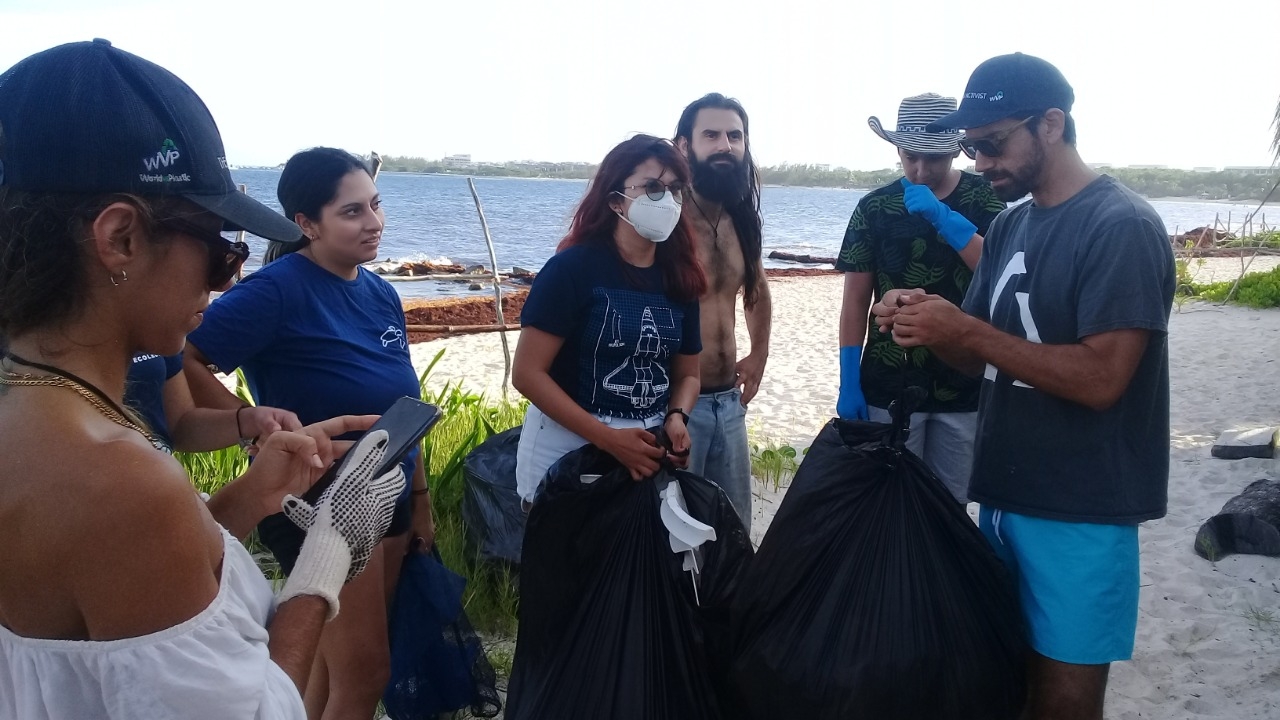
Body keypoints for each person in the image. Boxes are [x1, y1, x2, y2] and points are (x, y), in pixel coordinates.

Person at [0, 39, 404, 719]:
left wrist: (251, 495)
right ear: (121, 238)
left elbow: (122, 591)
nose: (230, 277)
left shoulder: (37, 410)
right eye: (223, 250)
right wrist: (325, 560)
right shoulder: (115, 479)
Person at [871, 53, 1174, 720]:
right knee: (1005, 685)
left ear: (1051, 125)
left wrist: (970, 335)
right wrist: (927, 322)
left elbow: (1103, 379)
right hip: (1002, 500)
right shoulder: (1010, 223)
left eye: (991, 143)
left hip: (1083, 511)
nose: (979, 162)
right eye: (971, 147)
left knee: (1064, 700)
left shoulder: (1120, 225)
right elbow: (980, 361)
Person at [183, 147, 433, 718]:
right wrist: (252, 429)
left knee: (324, 669)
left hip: (386, 492)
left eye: (375, 205)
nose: (373, 223)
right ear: (306, 224)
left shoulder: (379, 291)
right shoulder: (277, 290)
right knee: (365, 670)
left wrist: (419, 500)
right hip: (317, 497)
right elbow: (184, 355)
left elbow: (405, 406)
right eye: (351, 212)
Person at [512, 134, 705, 502]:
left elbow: (688, 374)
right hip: (564, 454)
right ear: (616, 200)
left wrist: (677, 416)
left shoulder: (681, 277)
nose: (665, 199)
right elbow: (527, 374)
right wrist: (608, 439)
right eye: (651, 187)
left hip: (647, 451)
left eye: (675, 189)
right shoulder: (571, 269)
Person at [835, 92, 1005, 503]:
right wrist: (848, 380)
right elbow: (856, 301)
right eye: (911, 156)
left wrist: (945, 219)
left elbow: (1001, 272)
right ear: (897, 149)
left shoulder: (985, 199)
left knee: (950, 504)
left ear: (955, 153)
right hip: (888, 380)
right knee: (886, 502)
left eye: (934, 158)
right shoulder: (874, 207)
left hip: (964, 383)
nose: (921, 169)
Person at [672, 93, 771, 530]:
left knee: (733, 531)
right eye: (710, 135)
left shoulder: (741, 217)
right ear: (682, 146)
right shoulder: (666, 221)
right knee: (676, 533)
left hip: (729, 403)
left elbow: (756, 288)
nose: (724, 145)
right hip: (674, 404)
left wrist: (759, 353)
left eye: (734, 135)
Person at [125, 351, 301, 454]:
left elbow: (180, 425)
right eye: (210, 284)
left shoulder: (158, 327)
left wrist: (251, 421)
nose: (226, 287)